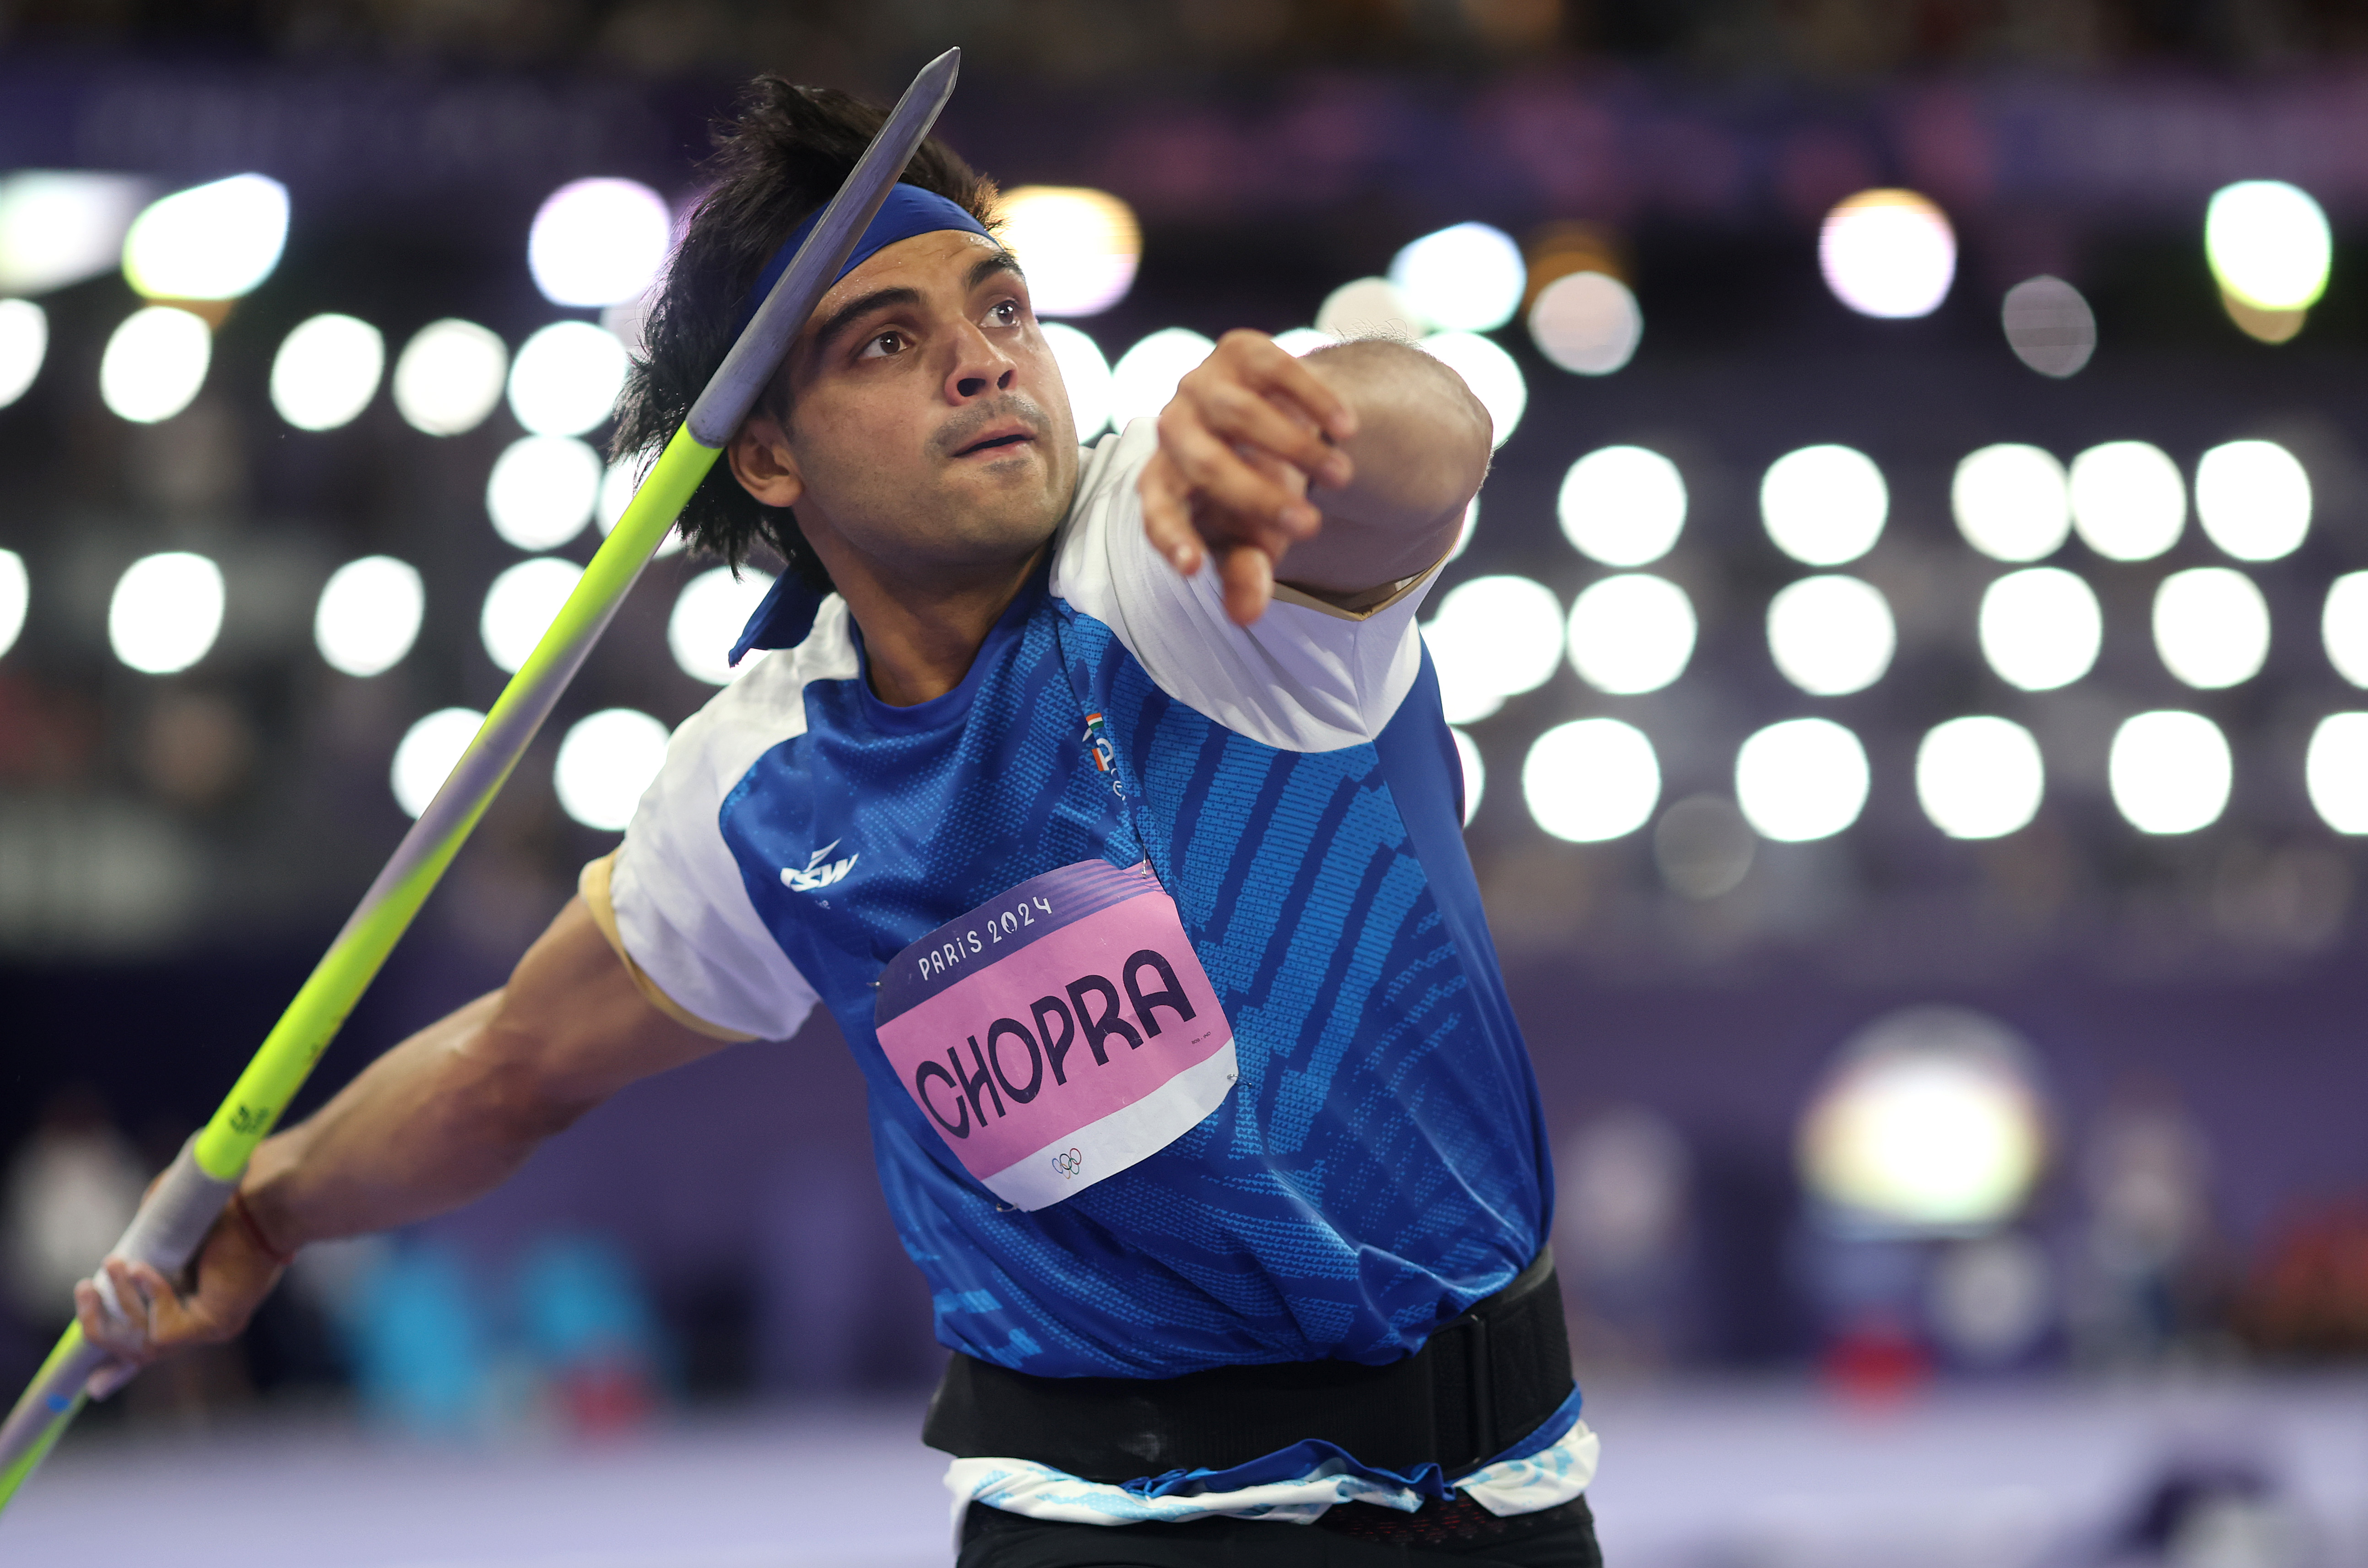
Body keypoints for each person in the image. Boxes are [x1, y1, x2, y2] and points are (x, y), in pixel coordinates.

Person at [76, 78, 1599, 1565]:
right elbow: (512, 1065)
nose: (984, 364)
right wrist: (263, 1209)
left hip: (1491, 1500)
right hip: (1095, 1524)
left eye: (1004, 312)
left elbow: (1431, 446)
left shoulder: (1173, 550)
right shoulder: (758, 784)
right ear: (768, 454)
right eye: (889, 340)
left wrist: (1310, 421)